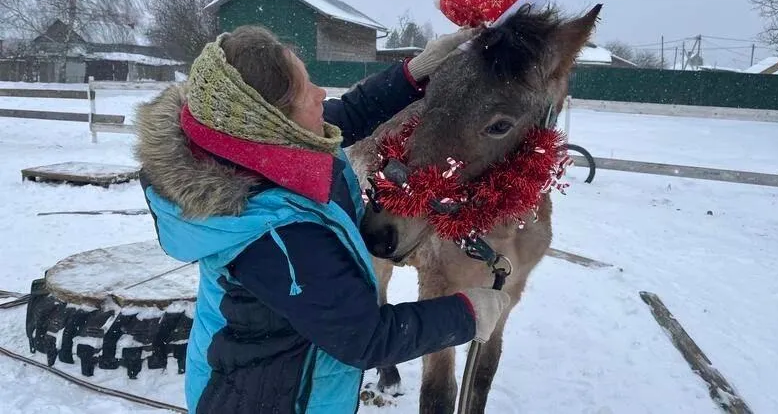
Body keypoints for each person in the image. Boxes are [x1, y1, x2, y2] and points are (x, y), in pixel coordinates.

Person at [134, 25, 511, 414]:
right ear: (272, 120)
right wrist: (468, 313)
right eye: (306, 91)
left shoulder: (257, 144)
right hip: (272, 400)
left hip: (281, 375)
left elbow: (349, 113)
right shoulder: (277, 236)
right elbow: (365, 338)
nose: (321, 94)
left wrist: (413, 72)